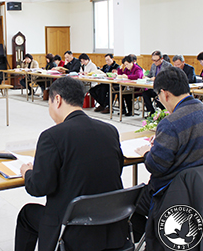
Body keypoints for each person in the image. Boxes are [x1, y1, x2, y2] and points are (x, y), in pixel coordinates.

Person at [15, 76, 127, 251]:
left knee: (26, 214)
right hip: (110, 225)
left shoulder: (51, 136)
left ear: (57, 100)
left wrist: (27, 172)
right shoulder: (109, 130)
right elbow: (117, 169)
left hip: (70, 230)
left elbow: (38, 188)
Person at [133, 66, 203, 240]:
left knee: (130, 200)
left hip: (171, 194)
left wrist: (147, 153)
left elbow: (156, 166)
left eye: (159, 98)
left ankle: (151, 238)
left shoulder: (171, 122)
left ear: (164, 94)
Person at [142, 51, 173, 115]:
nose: (155, 62)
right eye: (153, 60)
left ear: (161, 59)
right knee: (145, 94)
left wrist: (157, 78)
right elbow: (150, 75)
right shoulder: (153, 65)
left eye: (156, 60)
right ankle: (151, 111)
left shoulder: (168, 66)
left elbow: (170, 78)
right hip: (154, 88)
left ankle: (161, 113)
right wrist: (146, 77)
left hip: (163, 89)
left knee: (159, 98)